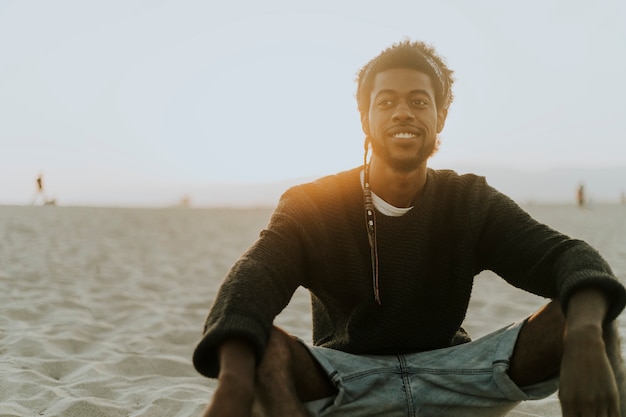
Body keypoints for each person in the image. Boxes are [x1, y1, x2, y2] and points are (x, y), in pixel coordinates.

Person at [192, 40, 626, 416]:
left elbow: (570, 258)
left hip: (457, 377)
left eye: (419, 101)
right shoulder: (314, 204)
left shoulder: (468, 201)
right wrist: (232, 383)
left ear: (440, 117)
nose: (403, 112)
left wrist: (585, 334)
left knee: (589, 310)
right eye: (386, 102)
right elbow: (252, 280)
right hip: (345, 383)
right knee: (259, 349)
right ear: (365, 119)